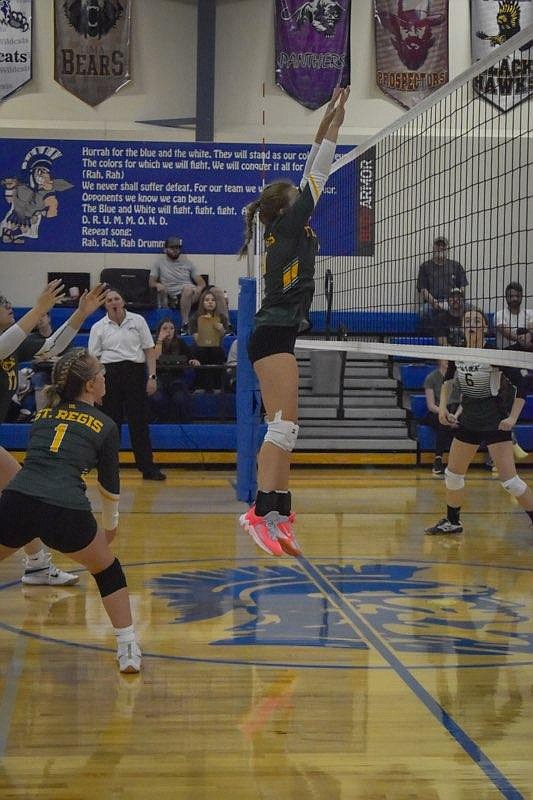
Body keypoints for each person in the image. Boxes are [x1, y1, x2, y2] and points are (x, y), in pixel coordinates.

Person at [237, 87, 350, 558]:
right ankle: (259, 513)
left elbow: (308, 167)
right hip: (273, 334)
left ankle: (280, 512)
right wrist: (336, 130)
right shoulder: (285, 226)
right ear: (287, 208)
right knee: (280, 427)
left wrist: (327, 119)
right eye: (298, 196)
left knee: (288, 428)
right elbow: (318, 171)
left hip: (278, 333)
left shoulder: (285, 227)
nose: (306, 197)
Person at [0, 348, 141, 673]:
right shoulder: (105, 424)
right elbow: (109, 487)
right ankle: (128, 646)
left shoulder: (42, 415)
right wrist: (111, 527)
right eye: (102, 375)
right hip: (66, 510)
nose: (106, 379)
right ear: (91, 385)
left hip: (17, 501)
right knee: (108, 571)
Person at [0, 280, 108, 585]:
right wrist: (38, 309)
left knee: (21, 495)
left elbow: (52, 349)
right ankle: (36, 563)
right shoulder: (5, 343)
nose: (8, 305)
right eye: (2, 302)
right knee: (20, 494)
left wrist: (81, 314)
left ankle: (36, 564)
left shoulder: (14, 344)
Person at [425, 308, 533, 535]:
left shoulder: (493, 353)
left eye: (476, 320)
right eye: (467, 320)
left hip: (494, 421)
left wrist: (512, 418)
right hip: (469, 421)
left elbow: (522, 386)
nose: (471, 323)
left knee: (510, 482)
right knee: (452, 475)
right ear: (462, 327)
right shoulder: (459, 353)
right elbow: (447, 382)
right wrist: (443, 408)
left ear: (485, 327)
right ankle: (453, 521)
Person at [88, 288, 165, 481]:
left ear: (123, 302)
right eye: (109, 300)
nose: (113, 302)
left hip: (135, 373)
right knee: (110, 424)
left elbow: (149, 350)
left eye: (116, 298)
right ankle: (107, 468)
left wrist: (152, 377)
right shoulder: (98, 327)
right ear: (105, 305)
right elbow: (93, 358)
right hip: (109, 375)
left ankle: (147, 468)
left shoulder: (138, 321)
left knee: (139, 423)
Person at [149, 236, 227, 332]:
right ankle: (185, 324)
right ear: (165, 249)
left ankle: (227, 326)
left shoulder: (187, 262)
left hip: (195, 293)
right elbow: (151, 282)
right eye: (172, 248)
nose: (175, 250)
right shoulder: (159, 263)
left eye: (177, 248)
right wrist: (158, 285)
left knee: (217, 291)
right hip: (178, 296)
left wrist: (198, 289)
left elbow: (201, 282)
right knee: (188, 289)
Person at [150, 318, 199, 422]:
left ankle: (182, 421)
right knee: (157, 397)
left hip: (177, 377)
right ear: (159, 331)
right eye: (165, 328)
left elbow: (190, 357)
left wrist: (193, 360)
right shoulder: (153, 343)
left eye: (171, 328)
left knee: (179, 397)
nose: (168, 331)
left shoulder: (180, 343)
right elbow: (155, 359)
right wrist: (159, 341)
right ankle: (161, 421)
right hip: (158, 377)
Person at [417, 237, 468, 331]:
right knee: (423, 311)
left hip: (453, 302)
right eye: (438, 245)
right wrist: (434, 303)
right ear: (433, 248)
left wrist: (456, 301)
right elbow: (423, 290)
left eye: (443, 246)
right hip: (432, 303)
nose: (440, 247)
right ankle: (433, 334)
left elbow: (463, 287)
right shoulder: (425, 266)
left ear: (447, 249)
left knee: (471, 309)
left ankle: (459, 333)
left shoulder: (456, 266)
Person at [422, 360, 462, 475]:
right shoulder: (431, 378)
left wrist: (455, 416)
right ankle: (438, 460)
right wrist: (445, 414)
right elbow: (431, 405)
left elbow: (464, 402)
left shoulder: (459, 377)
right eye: (446, 359)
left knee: (467, 422)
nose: (449, 361)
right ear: (440, 359)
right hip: (438, 410)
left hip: (456, 411)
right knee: (443, 423)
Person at [190, 290, 228, 392]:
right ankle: (200, 385)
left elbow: (222, 337)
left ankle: (217, 386)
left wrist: (221, 330)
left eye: (213, 300)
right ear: (202, 303)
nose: (210, 302)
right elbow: (196, 338)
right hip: (201, 347)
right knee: (202, 350)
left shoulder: (221, 317)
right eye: (207, 300)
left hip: (216, 347)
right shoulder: (195, 317)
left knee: (216, 351)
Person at [494, 281, 533, 351]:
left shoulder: (530, 313)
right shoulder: (499, 314)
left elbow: (531, 328)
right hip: (505, 352)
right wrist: (522, 339)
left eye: (517, 296)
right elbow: (506, 333)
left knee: (522, 331)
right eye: (511, 296)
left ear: (522, 297)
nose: (514, 299)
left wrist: (530, 335)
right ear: (506, 297)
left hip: (527, 352)